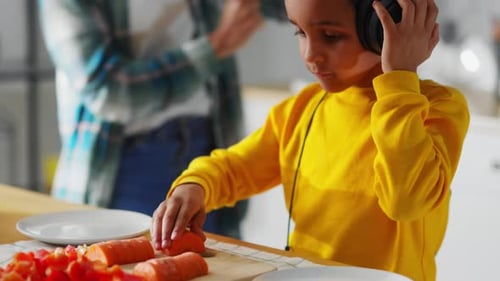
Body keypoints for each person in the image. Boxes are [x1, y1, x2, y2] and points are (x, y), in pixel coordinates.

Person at [150, 0, 470, 280]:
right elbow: (237, 167)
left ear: (386, 27)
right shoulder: (302, 108)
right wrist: (196, 185)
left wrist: (400, 80)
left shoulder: (434, 107)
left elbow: (406, 201)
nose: (311, 55)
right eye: (300, 32)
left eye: (331, 36)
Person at [37, 0, 287, 238]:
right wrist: (216, 47)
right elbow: (109, 92)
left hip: (209, 147)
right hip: (123, 167)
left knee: (219, 270)